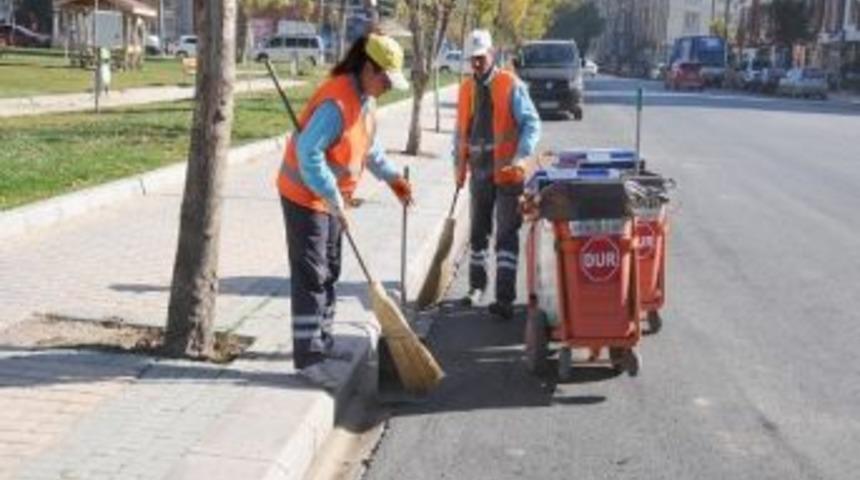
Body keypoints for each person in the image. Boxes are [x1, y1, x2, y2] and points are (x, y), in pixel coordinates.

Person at [277, 33, 413, 384]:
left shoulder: (365, 100)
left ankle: (322, 341)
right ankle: (308, 360)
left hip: (330, 198)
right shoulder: (337, 103)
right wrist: (333, 198)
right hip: (304, 195)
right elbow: (308, 153)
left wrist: (393, 178)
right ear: (368, 68)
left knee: (331, 268)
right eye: (384, 79)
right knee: (313, 275)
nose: (387, 87)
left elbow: (368, 147)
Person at [453, 29, 541, 320]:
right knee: (478, 233)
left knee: (506, 234)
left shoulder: (509, 84)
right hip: (479, 172)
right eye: (472, 60)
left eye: (480, 58)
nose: (476, 64)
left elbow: (531, 123)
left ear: (492, 54)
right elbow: (460, 134)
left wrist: (521, 156)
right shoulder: (466, 89)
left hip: (508, 173)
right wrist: (459, 168)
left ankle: (504, 298)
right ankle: (476, 288)